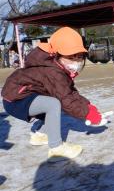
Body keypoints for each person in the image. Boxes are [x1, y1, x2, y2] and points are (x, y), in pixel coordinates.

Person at [1, 27, 103, 160]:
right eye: (71, 57)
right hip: (15, 100)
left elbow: (70, 93)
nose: (76, 62)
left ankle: (39, 134)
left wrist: (88, 106)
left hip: (21, 96)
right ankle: (56, 148)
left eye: (79, 57)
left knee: (53, 102)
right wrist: (87, 114)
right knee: (54, 104)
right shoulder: (53, 71)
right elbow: (66, 99)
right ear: (56, 55)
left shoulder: (57, 67)